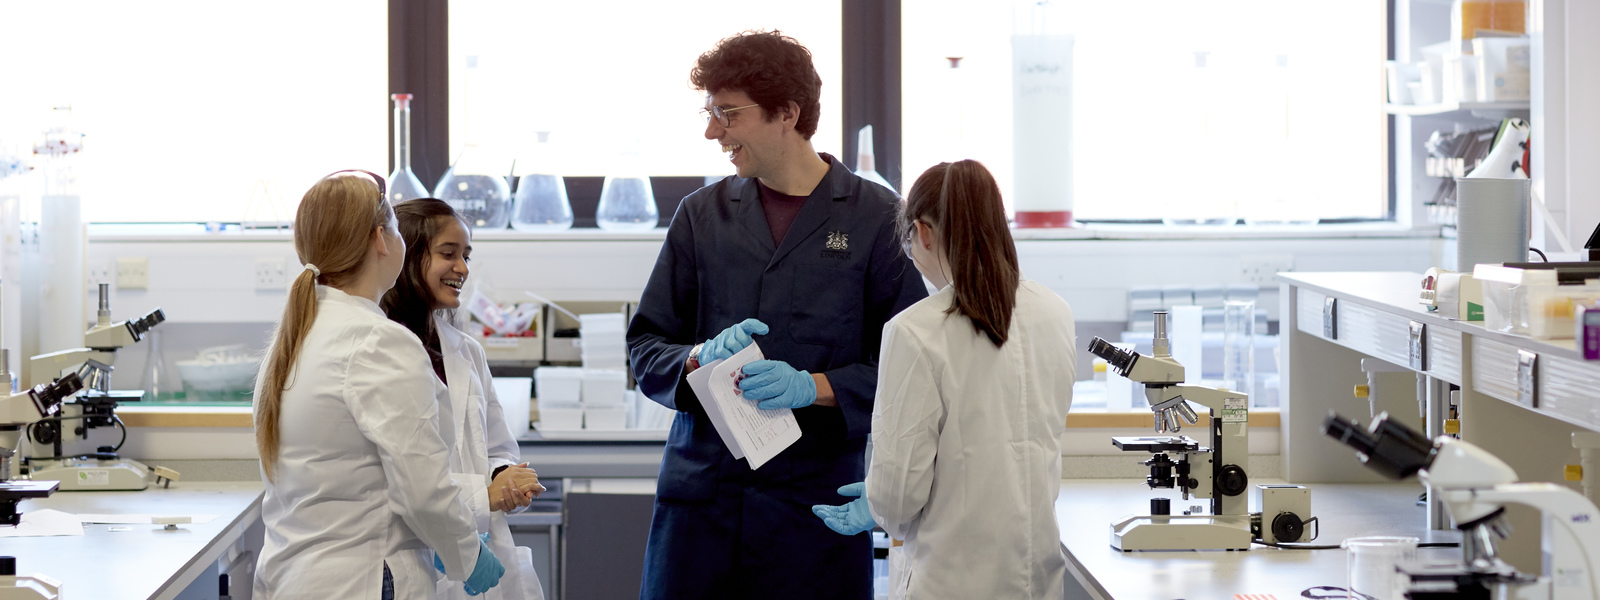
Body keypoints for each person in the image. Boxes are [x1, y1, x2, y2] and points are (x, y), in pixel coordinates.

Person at [626, 30, 928, 599]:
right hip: (702, 503)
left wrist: (812, 387)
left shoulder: (874, 218)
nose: (712, 132)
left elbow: (913, 369)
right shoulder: (701, 216)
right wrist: (694, 358)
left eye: (728, 114)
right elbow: (645, 348)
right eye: (710, 112)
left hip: (812, 509)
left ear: (787, 113)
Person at [811, 160, 1079, 599]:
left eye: (909, 239)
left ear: (925, 232)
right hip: (1036, 578)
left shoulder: (915, 330)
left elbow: (899, 501)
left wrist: (879, 501)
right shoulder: (1055, 312)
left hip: (949, 580)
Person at [252, 171, 504, 600]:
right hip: (366, 577)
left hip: (294, 576)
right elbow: (423, 489)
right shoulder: (378, 341)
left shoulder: (296, 337)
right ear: (381, 240)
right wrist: (468, 555)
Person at [380, 198, 548, 600]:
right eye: (448, 253)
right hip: (409, 564)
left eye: (466, 256)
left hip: (480, 555)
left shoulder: (466, 350)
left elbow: (497, 447)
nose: (462, 268)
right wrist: (481, 495)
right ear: (405, 255)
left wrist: (507, 478)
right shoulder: (378, 350)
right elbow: (393, 480)